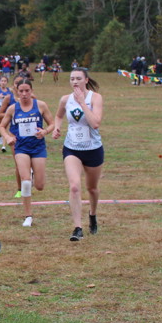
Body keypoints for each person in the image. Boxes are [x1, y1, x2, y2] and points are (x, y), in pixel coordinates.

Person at [52, 67, 104, 241]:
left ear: (86, 80)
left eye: (78, 78)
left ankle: (92, 215)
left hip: (93, 149)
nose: (74, 82)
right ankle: (77, 228)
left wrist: (82, 103)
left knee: (92, 188)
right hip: (72, 148)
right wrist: (57, 127)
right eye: (72, 79)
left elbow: (95, 123)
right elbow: (58, 116)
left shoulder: (95, 98)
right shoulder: (65, 99)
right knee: (74, 186)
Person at [0, 78, 53, 227]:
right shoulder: (13, 109)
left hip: (38, 147)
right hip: (21, 148)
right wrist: (7, 137)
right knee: (26, 181)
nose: (24, 94)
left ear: (31, 91)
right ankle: (28, 216)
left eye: (27, 91)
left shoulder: (40, 105)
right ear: (17, 92)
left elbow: (52, 123)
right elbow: (2, 126)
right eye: (21, 91)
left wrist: (45, 131)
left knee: (40, 186)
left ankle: (33, 173)